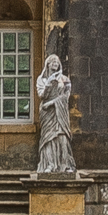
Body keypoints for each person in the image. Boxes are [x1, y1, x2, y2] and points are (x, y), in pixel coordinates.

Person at [33, 42, 75, 176]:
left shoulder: (65, 80)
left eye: (57, 62)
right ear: (48, 65)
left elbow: (65, 98)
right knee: (49, 139)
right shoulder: (41, 80)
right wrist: (49, 85)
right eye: (53, 62)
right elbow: (41, 95)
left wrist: (51, 103)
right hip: (47, 114)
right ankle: (50, 164)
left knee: (62, 138)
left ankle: (65, 164)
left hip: (59, 112)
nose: (55, 64)